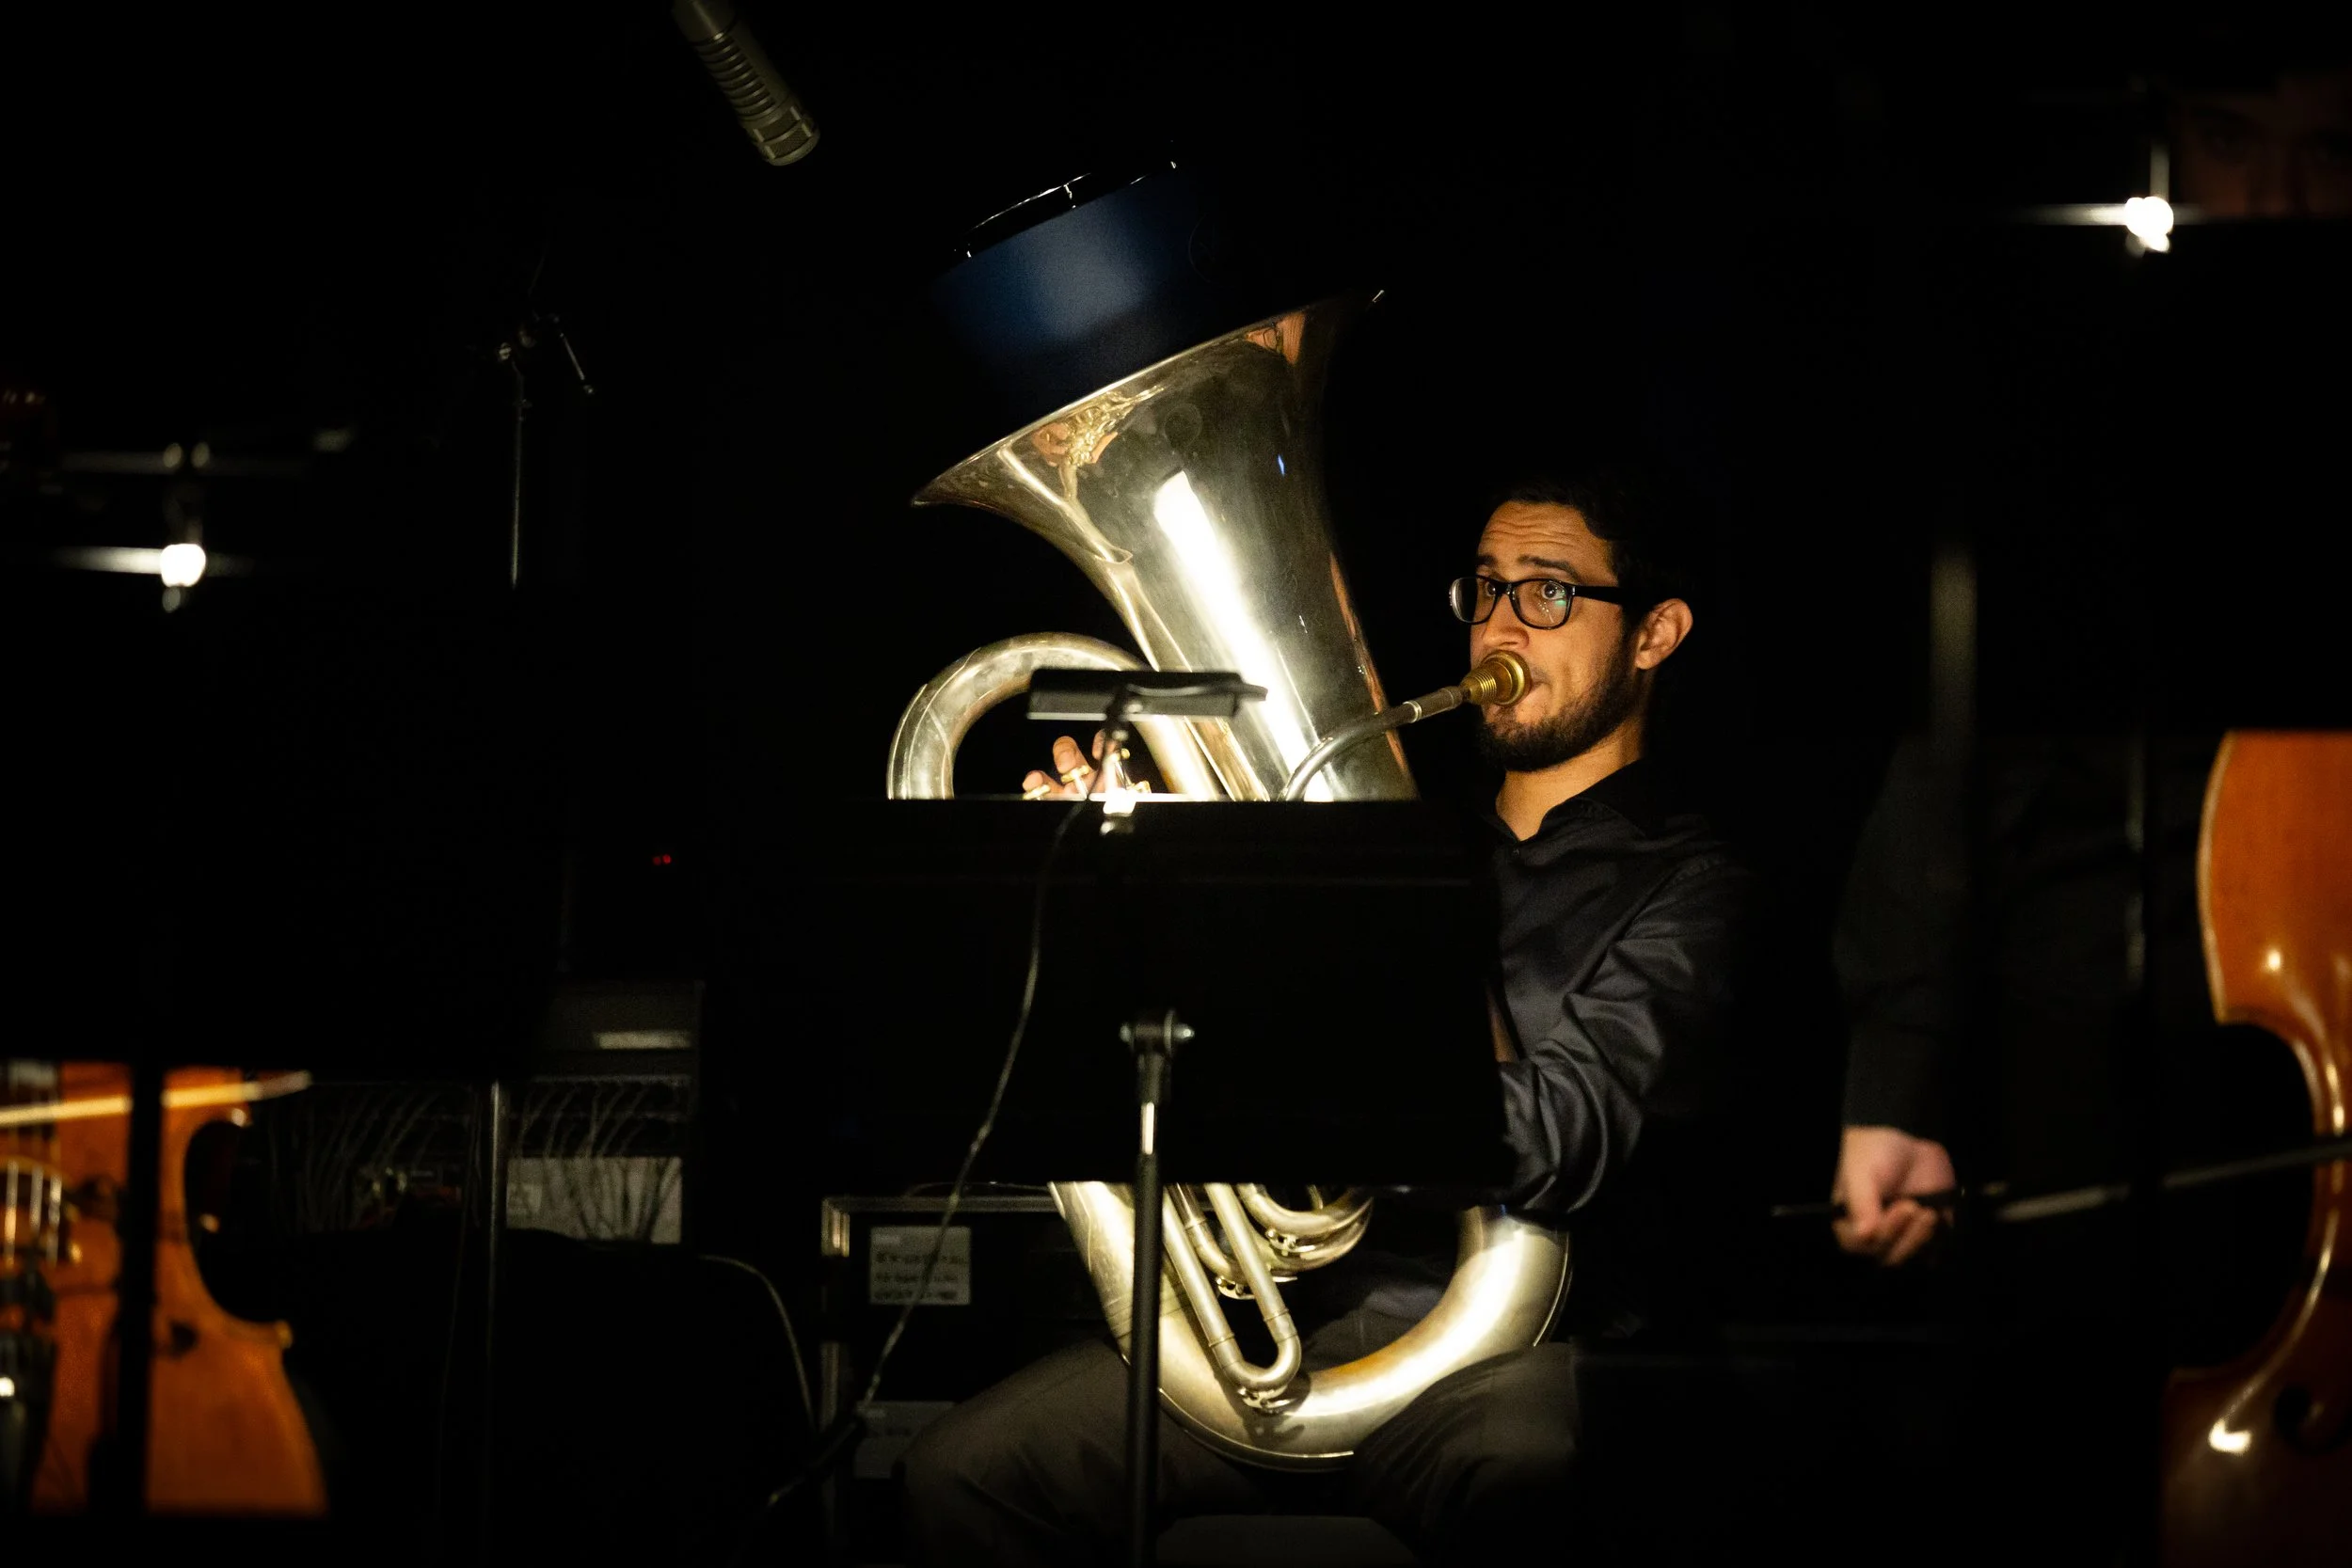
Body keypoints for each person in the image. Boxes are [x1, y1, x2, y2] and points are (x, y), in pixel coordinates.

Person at [900, 467, 1761, 1566]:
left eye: (1548, 593)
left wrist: (1416, 919)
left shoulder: (1694, 890)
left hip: (1527, 1350)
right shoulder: (1362, 854)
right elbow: (1189, 1084)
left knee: (1527, 1469)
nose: (1500, 626)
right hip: (1294, 1334)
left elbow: (1551, 1140)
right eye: (1485, 590)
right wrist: (1113, 887)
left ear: (1654, 634)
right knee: (962, 1471)